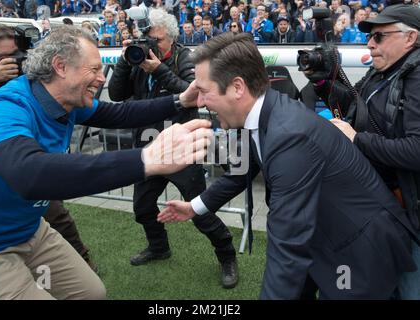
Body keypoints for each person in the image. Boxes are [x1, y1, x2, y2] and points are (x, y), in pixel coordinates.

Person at [157, 32, 419, 299]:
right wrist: (194, 206)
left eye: (203, 91)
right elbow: (242, 172)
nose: (198, 102)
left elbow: (287, 250)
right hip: (323, 239)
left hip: (356, 251)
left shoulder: (289, 136)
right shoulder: (263, 112)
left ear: (237, 87)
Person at [0, 25, 212, 300]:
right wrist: (147, 159)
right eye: (94, 69)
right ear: (60, 66)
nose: (101, 78)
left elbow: (120, 114)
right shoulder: (3, 108)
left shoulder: (66, 100)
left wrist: (181, 100)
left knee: (92, 292)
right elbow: (30, 175)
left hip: (29, 230)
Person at [108, 8, 238, 289]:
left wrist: (159, 69)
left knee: (199, 210)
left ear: (171, 37)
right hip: (149, 145)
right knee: (142, 207)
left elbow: (193, 94)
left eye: (156, 40)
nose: (150, 46)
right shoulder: (137, 59)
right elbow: (116, 95)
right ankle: (159, 247)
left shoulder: (185, 57)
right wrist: (124, 61)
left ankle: (227, 255)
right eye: (148, 40)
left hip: (181, 147)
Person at [309, 4, 420, 299]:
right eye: (370, 37)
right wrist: (323, 81)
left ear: (410, 39)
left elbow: (416, 150)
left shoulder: (417, 77)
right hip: (381, 207)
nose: (370, 43)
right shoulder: (381, 71)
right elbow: (352, 104)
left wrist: (357, 140)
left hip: (410, 216)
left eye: (380, 36)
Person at [0, 24, 101, 272]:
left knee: (57, 215)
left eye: (16, 54)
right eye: (3, 57)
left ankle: (83, 263)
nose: (12, 61)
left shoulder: (26, 73)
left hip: (28, 158)